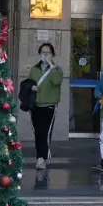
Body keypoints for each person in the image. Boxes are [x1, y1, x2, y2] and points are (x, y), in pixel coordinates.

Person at [24, 42, 63, 173]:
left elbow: (57, 81)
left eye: (48, 52)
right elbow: (28, 83)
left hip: (49, 106)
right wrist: (31, 87)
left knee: (44, 133)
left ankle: (41, 158)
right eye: (43, 52)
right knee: (37, 133)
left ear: (52, 54)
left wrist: (51, 66)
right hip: (35, 105)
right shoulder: (34, 69)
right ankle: (42, 156)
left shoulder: (57, 69)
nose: (45, 55)